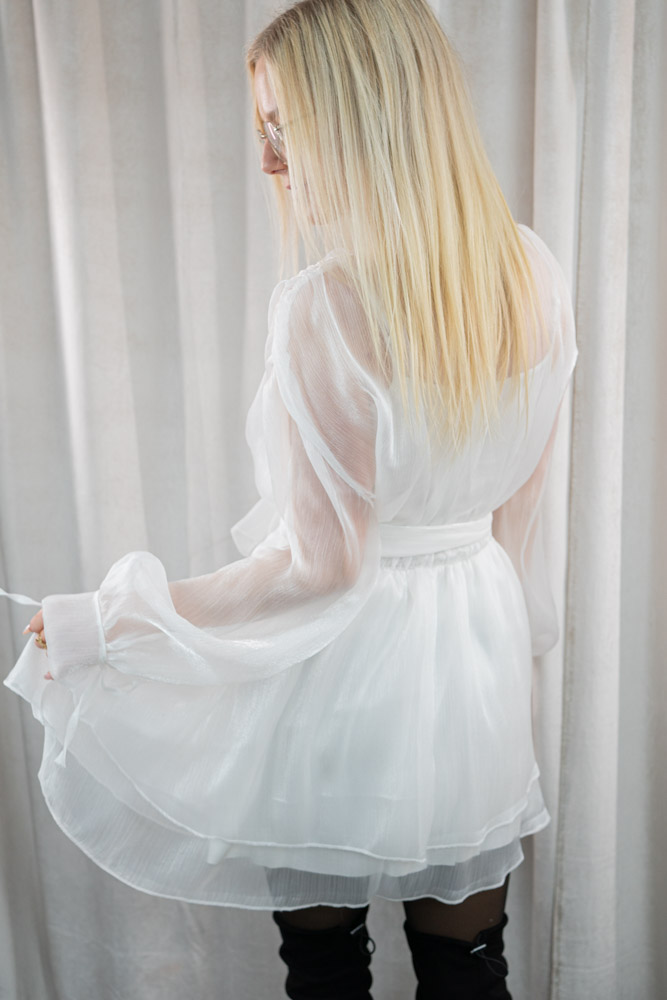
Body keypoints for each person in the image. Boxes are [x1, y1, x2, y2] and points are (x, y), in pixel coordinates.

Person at [8, 0, 577, 997]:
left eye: (284, 128)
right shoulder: (534, 268)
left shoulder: (325, 305)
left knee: (323, 966)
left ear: (360, 120)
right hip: (476, 658)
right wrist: (511, 651)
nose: (269, 161)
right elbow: (522, 517)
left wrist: (110, 618)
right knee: (467, 964)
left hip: (342, 671)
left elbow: (322, 570)